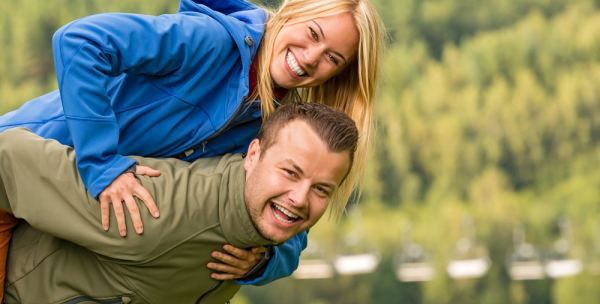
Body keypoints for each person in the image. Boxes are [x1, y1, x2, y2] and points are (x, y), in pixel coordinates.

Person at [0, 0, 385, 295]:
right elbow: (80, 42)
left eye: (333, 58)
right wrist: (103, 165)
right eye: (313, 33)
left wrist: (264, 259)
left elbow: (293, 216)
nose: (311, 58)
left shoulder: (277, 122)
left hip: (60, 222)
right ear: (292, 12)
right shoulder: (210, 41)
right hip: (20, 174)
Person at [0, 102, 359, 303]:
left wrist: (264, 262)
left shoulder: (250, 238)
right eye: (290, 172)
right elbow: (8, 154)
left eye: (321, 190)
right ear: (253, 155)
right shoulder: (156, 209)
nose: (299, 199)